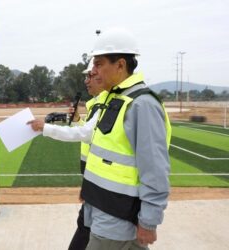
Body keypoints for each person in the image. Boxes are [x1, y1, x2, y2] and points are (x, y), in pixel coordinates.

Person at [80, 28, 172, 250]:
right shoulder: (114, 99)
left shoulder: (142, 105)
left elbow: (155, 169)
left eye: (99, 64)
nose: (94, 71)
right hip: (104, 207)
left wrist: (149, 220)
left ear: (120, 65)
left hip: (117, 217)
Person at [28, 57, 105, 250]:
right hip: (94, 177)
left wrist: (46, 128)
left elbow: (86, 134)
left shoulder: (108, 104)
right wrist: (78, 119)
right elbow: (88, 133)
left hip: (102, 182)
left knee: (87, 228)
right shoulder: (98, 104)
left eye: (91, 75)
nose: (87, 80)